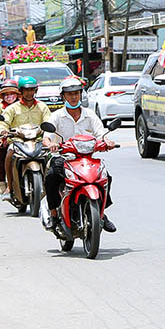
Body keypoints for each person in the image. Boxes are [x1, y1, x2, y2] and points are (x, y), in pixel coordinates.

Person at [41, 76, 117, 232]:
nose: (74, 97)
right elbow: (46, 138)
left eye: (76, 93)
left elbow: (101, 134)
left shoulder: (90, 114)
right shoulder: (57, 116)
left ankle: (101, 213)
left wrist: (107, 142)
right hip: (63, 158)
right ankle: (54, 214)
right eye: (70, 94)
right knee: (51, 177)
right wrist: (51, 144)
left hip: (86, 159)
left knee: (106, 177)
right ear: (63, 96)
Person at [0, 77, 53, 198]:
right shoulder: (12, 108)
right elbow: (2, 123)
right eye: (26, 90)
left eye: (32, 90)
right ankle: (9, 186)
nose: (29, 93)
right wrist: (3, 131)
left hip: (38, 141)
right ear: (21, 91)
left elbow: (49, 121)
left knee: (52, 159)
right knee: (9, 154)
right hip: (18, 141)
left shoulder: (42, 107)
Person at [0, 79, 20, 191]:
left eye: (12, 94)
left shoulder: (23, 105)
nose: (9, 97)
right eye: (6, 94)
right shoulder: (0, 107)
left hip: (25, 136)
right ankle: (2, 180)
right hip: (7, 137)